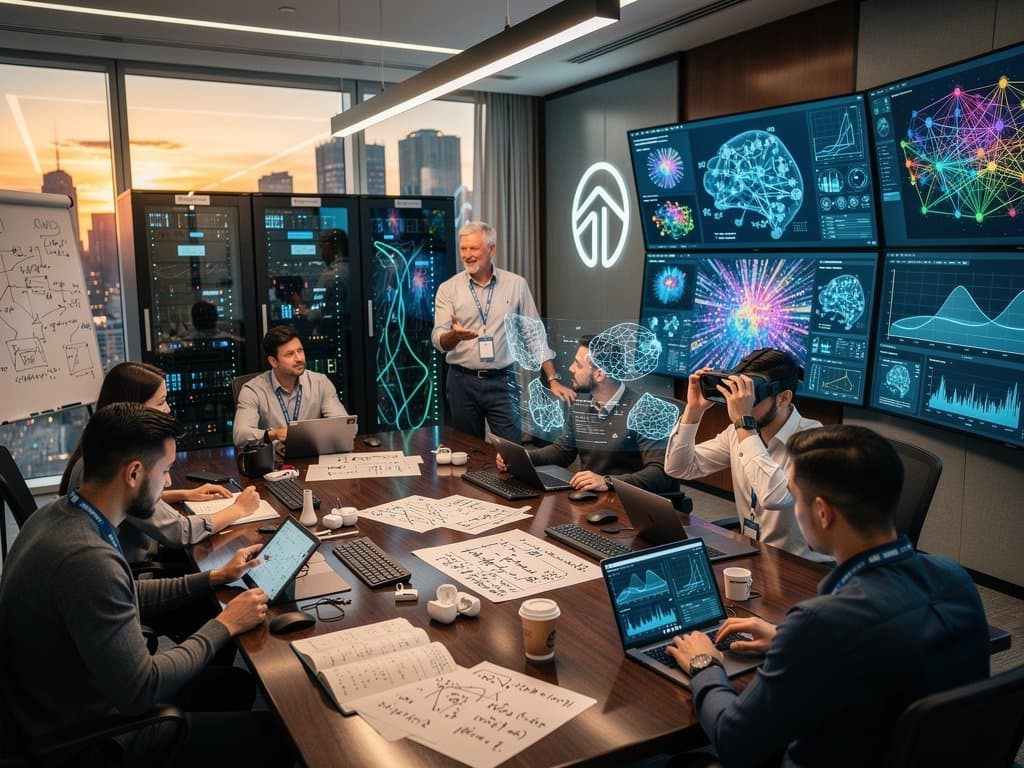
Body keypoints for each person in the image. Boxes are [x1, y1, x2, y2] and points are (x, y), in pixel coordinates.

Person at [666, 424, 989, 768]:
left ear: (822, 512)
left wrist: (705, 665)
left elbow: (735, 741)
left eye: (794, 496)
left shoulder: (821, 622)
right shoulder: (955, 579)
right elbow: (889, 651)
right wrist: (784, 640)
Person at [0, 403, 292, 765]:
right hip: (95, 738)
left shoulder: (57, 517)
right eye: (166, 470)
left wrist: (213, 577)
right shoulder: (86, 557)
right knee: (279, 739)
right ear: (134, 473)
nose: (169, 483)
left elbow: (123, 593)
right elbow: (142, 689)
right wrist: (225, 623)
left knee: (238, 684)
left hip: (63, 702)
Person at [60, 361, 259, 566]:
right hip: (139, 568)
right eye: (161, 401)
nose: (167, 409)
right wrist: (239, 509)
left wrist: (184, 495)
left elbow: (131, 499)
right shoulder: (124, 462)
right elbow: (179, 532)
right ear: (134, 406)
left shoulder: (98, 452)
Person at [663, 348, 830, 561]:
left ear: (783, 398)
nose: (742, 405)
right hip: (754, 555)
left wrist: (744, 422)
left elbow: (775, 497)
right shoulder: (738, 433)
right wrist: (694, 411)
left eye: (750, 397)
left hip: (801, 567)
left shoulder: (813, 439)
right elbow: (679, 467)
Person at [431, 220, 574, 441]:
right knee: (468, 449)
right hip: (461, 382)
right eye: (463, 248)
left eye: (474, 248)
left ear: (491, 249)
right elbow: (438, 339)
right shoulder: (448, 289)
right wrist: (455, 336)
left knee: (511, 450)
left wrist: (553, 378)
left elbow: (534, 334)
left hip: (503, 380)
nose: (467, 255)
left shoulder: (516, 285)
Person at [497, 335, 674, 493]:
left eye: (578, 364)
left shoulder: (646, 410)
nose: (571, 368)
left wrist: (607, 481)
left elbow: (659, 472)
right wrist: (524, 457)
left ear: (599, 374)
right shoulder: (580, 404)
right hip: (590, 496)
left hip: (630, 502)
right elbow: (563, 451)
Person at [232, 324, 349, 450]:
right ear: (273, 361)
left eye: (300, 350)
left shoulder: (320, 383)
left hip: (312, 456)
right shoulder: (253, 390)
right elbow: (240, 435)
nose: (299, 358)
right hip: (274, 462)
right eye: (290, 354)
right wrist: (273, 434)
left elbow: (345, 426)